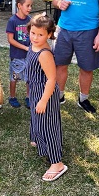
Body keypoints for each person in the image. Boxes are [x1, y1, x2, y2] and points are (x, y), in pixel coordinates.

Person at [26, 13, 68, 182]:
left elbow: (52, 78)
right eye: (33, 33)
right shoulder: (33, 45)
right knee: (36, 118)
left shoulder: (44, 53)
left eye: (40, 34)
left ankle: (57, 162)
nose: (35, 38)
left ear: (49, 35)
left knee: (48, 125)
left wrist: (43, 100)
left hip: (46, 94)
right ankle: (38, 139)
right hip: (36, 90)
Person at [6, 0, 33, 108]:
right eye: (28, 6)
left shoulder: (30, 20)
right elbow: (10, 40)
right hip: (17, 56)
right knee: (15, 77)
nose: (30, 8)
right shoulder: (12, 21)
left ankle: (28, 97)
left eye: (31, 6)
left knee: (29, 78)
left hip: (28, 56)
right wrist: (25, 48)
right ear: (19, 6)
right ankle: (12, 97)